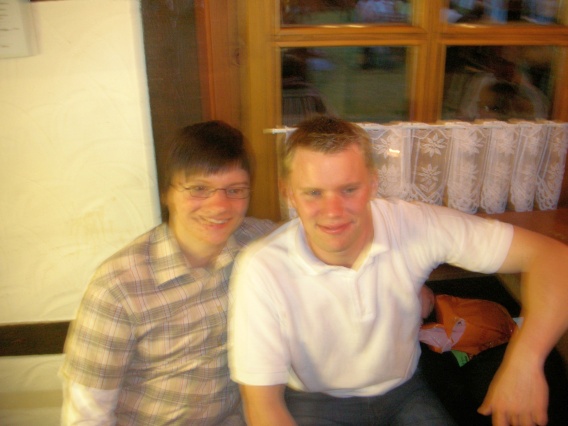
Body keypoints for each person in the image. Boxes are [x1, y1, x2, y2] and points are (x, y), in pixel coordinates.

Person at [228, 115, 568, 426]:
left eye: (349, 189)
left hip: (404, 390)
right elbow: (262, 406)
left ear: (373, 184)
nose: (333, 211)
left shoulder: (413, 223)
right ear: (288, 192)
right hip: (316, 402)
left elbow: (555, 257)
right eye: (313, 193)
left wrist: (525, 363)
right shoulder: (262, 268)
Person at [59, 121, 275, 425]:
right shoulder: (118, 287)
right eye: (198, 188)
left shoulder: (260, 245)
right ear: (167, 193)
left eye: (235, 190)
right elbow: (87, 414)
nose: (219, 205)